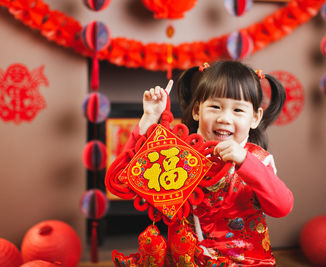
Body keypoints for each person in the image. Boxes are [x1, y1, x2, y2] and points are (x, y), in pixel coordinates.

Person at [108, 60, 294, 266]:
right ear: (197, 110)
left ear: (255, 118)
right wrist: (149, 119)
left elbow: (282, 207)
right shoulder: (178, 152)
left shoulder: (257, 159)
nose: (224, 118)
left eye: (238, 110)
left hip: (243, 261)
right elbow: (122, 180)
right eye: (215, 106)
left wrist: (244, 161)